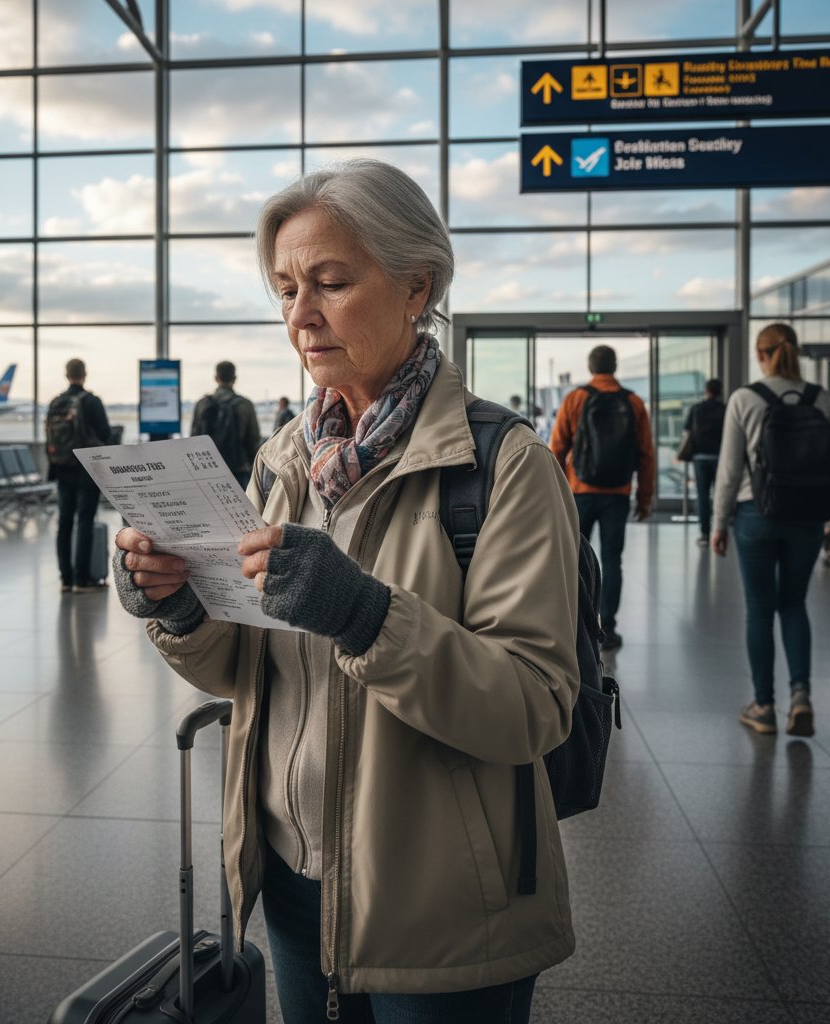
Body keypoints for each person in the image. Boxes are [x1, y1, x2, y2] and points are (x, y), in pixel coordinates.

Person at [113, 159, 580, 1023]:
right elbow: (248, 669)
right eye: (286, 287)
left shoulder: (505, 466)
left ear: (417, 287)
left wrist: (366, 616)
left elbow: (534, 705)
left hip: (442, 907)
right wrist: (178, 601)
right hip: (292, 885)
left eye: (330, 281)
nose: (300, 314)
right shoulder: (283, 459)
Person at [711, 323, 830, 738]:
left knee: (760, 608)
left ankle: (763, 706)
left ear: (760, 354)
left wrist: (718, 524)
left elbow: (729, 472)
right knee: (794, 604)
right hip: (808, 517)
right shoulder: (822, 398)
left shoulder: (745, 398)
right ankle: (801, 695)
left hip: (755, 515)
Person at [550, 344, 655, 652]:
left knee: (572, 559)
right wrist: (645, 498)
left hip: (579, 492)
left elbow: (556, 447)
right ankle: (607, 629)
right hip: (618, 493)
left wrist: (553, 492)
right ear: (615, 366)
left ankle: (574, 626)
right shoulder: (634, 403)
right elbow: (646, 455)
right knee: (612, 561)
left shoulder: (576, 399)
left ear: (590, 366)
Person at [45, 358, 112, 594]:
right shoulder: (91, 402)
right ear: (85, 374)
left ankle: (65, 578)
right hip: (86, 468)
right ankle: (82, 580)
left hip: (62, 468)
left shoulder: (56, 402)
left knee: (64, 521)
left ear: (66, 374)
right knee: (84, 520)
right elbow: (105, 432)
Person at [190, 361, 261, 489]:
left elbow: (193, 438)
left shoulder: (202, 404)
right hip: (237, 470)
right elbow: (253, 440)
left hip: (207, 471)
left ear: (216, 378)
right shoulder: (244, 405)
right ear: (234, 379)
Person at [681, 378, 725, 546]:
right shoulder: (725, 409)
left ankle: (705, 534)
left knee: (703, 496)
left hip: (699, 458)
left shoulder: (697, 408)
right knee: (720, 494)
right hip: (719, 457)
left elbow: (687, 431)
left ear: (707, 390)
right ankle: (720, 530)